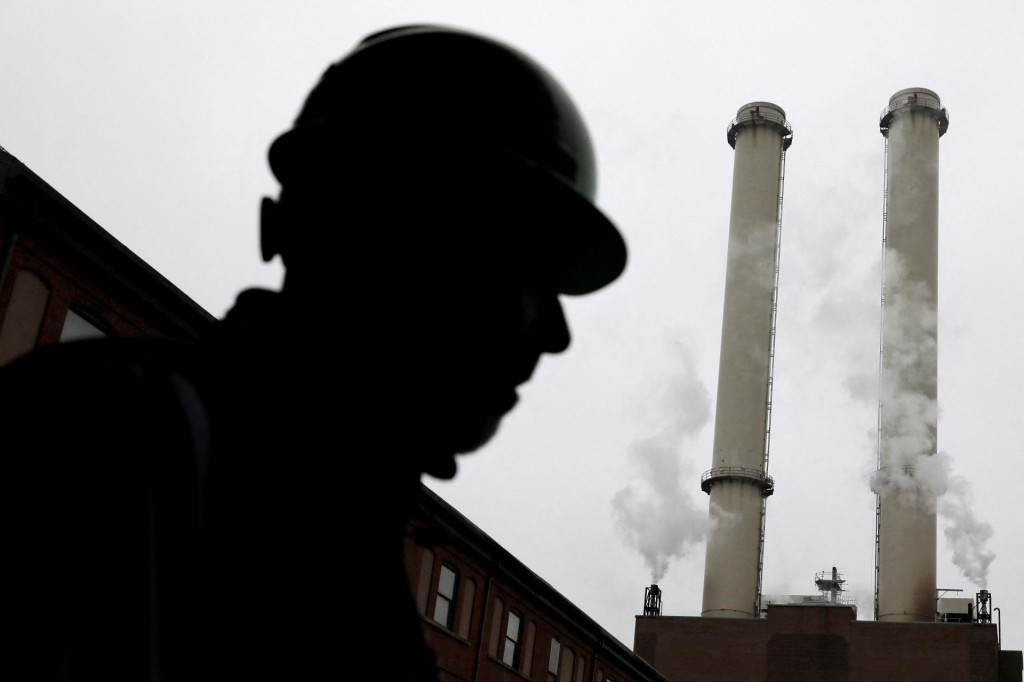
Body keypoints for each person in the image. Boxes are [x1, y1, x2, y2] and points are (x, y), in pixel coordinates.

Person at [4, 24, 626, 680]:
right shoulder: (108, 444)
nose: (555, 331)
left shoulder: (340, 534)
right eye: (527, 264)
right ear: (395, 231)